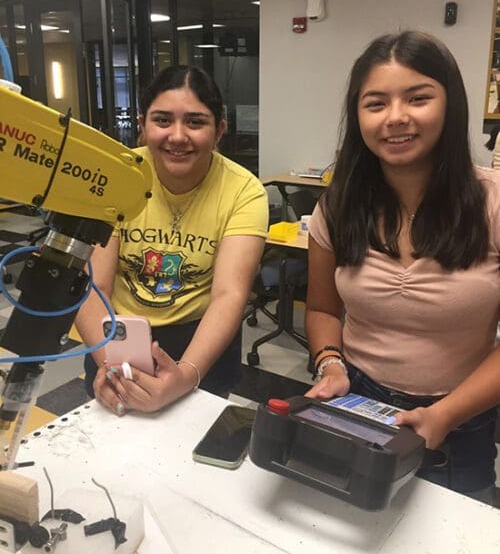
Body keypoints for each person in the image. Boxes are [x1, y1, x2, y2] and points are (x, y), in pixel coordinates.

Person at [306, 31, 500, 501]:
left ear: (449, 104)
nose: (396, 118)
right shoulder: (338, 206)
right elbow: (322, 310)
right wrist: (330, 366)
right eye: (376, 104)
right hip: (358, 399)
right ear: (357, 116)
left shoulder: (492, 201)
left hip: (464, 414)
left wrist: (446, 414)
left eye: (418, 98)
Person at [76, 65, 268, 415]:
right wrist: (111, 364)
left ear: (219, 130)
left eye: (195, 122)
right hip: (118, 336)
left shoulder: (243, 191)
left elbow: (230, 294)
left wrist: (185, 375)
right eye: (162, 120)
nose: (177, 136)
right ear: (142, 124)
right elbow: (94, 287)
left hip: (200, 339)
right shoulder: (118, 177)